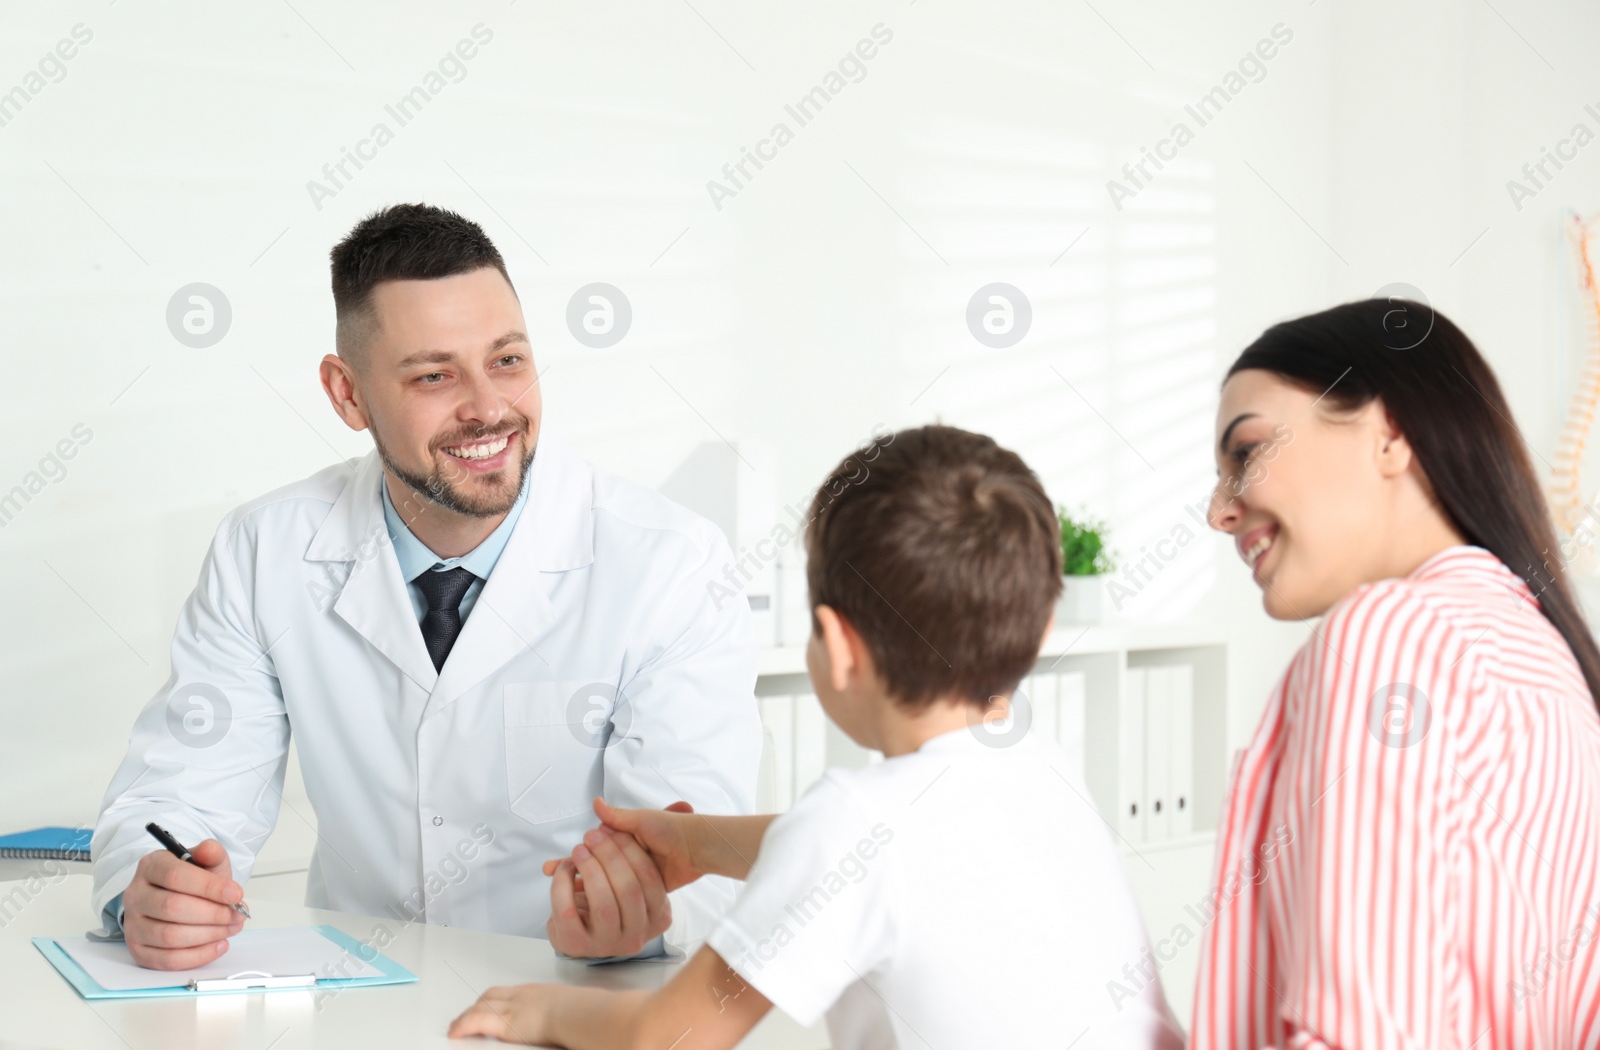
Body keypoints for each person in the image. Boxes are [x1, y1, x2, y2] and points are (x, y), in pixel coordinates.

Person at [90, 204, 761, 969]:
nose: (488, 407)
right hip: (359, 1000)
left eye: (507, 360)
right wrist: (154, 890)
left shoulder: (669, 563)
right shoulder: (265, 550)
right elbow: (183, 789)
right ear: (348, 395)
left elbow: (699, 842)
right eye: (435, 375)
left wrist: (642, 911)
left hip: (585, 998)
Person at [448, 425, 1185, 1049]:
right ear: (1040, 628)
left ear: (837, 646)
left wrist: (541, 1008)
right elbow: (881, 854)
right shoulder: (1041, 770)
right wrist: (696, 845)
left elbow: (665, 1037)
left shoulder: (854, 823)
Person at [1193, 299, 1600, 1048]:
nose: (1220, 510)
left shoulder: (1391, 633)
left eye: (1245, 453)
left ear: (1390, 434)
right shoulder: (1551, 664)